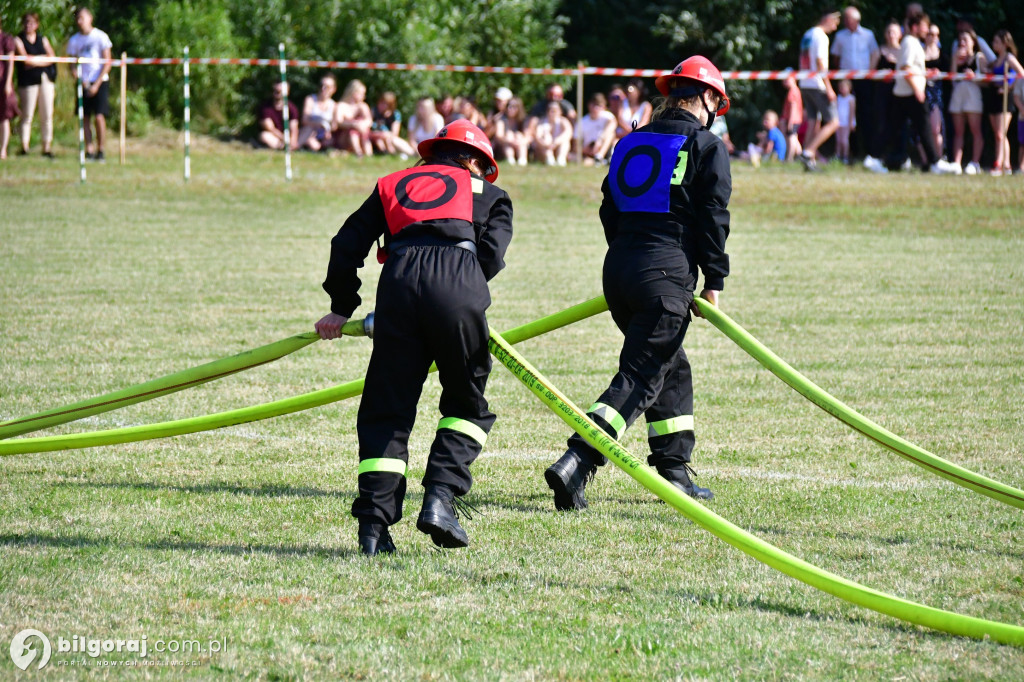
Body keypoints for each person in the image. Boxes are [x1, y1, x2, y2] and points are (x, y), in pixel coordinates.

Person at [316, 119, 513, 555]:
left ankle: (372, 528)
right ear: (477, 161)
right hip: (459, 283)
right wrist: (460, 297)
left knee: (387, 409)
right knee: (467, 405)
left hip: (398, 285)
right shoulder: (491, 194)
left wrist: (341, 306)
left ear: (432, 153)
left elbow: (345, 243)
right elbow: (491, 255)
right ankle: (441, 497)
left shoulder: (393, 183)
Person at [544, 55, 732, 510]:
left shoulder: (630, 141)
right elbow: (712, 217)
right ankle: (578, 459)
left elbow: (609, 207)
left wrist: (629, 253)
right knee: (640, 376)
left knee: (671, 363)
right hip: (666, 272)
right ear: (706, 97)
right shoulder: (706, 145)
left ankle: (673, 468)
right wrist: (714, 280)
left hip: (620, 270)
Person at [878, 12, 957, 173]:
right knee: (922, 126)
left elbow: (912, 67)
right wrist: (917, 89)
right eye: (924, 26)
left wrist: (926, 71)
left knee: (899, 128)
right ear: (915, 27)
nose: (926, 29)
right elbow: (905, 67)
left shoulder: (913, 43)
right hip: (910, 92)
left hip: (906, 92)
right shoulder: (909, 42)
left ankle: (874, 157)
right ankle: (935, 162)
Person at [830, 6, 879, 159]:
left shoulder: (868, 35)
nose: (846, 21)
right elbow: (835, 57)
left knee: (865, 114)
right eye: (845, 19)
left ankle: (869, 152)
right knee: (845, 116)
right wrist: (841, 77)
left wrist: (869, 72)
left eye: (848, 19)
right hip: (847, 81)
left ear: (856, 20)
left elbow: (875, 53)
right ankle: (850, 151)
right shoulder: (840, 36)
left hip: (864, 80)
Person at [797, 8, 842, 171]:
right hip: (817, 84)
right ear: (829, 19)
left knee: (812, 122)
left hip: (805, 82)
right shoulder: (821, 37)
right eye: (835, 22)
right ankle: (808, 152)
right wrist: (829, 88)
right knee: (833, 122)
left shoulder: (808, 34)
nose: (835, 27)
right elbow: (821, 63)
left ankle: (808, 160)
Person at [65, 7, 111, 162]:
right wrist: (79, 79)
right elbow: (71, 64)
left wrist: (96, 84)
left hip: (100, 81)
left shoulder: (101, 37)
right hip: (82, 82)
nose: (80, 21)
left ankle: (101, 150)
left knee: (99, 117)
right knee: (85, 117)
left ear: (90, 18)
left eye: (82, 18)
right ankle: (89, 150)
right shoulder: (74, 40)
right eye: (77, 18)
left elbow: (107, 62)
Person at [979, 30, 1022, 176]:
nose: (993, 44)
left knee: (1000, 133)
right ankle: (1005, 164)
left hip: (1005, 97)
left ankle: (1001, 164)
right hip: (994, 96)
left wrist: (1008, 87)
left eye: (996, 41)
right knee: (998, 134)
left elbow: (1020, 73)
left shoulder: (1009, 58)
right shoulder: (997, 59)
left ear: (1004, 43)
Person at [14, 13, 57, 157]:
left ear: (37, 25)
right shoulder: (18, 39)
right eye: (26, 22)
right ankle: (24, 146)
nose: (28, 25)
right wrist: (42, 59)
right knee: (27, 114)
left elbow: (52, 57)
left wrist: (34, 60)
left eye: (32, 23)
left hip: (45, 79)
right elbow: (25, 60)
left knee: (47, 114)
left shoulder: (42, 39)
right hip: (28, 82)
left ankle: (47, 147)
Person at [864, 20, 903, 173]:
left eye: (894, 32)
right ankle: (875, 157)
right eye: (888, 32)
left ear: (900, 34)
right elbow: (870, 73)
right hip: (882, 93)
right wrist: (881, 75)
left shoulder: (904, 52)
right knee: (880, 124)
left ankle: (897, 158)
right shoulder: (879, 51)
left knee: (898, 126)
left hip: (899, 93)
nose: (891, 35)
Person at [949, 29, 985, 175]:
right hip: (958, 93)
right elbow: (952, 78)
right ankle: (957, 163)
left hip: (973, 95)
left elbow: (987, 81)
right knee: (958, 132)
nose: (962, 43)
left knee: (975, 130)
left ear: (973, 42)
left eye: (966, 40)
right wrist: (954, 60)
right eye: (960, 40)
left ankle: (974, 162)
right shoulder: (957, 57)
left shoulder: (979, 57)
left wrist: (974, 76)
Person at [333, 79, 373, 158]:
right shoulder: (341, 106)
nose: (364, 96)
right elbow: (339, 123)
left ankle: (367, 154)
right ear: (354, 93)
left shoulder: (363, 106)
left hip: (361, 134)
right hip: (343, 137)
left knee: (361, 128)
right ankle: (359, 153)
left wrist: (361, 125)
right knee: (353, 130)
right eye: (362, 94)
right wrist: (353, 124)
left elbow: (369, 121)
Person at [296, 74, 336, 152]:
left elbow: (334, 126)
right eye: (322, 85)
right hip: (310, 133)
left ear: (333, 89)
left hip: (325, 136)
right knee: (309, 132)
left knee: (330, 140)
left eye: (327, 87)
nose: (323, 88)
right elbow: (304, 121)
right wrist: (320, 124)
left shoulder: (334, 105)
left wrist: (328, 130)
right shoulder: (310, 100)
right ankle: (295, 147)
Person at [369, 91, 415, 157]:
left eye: (385, 104)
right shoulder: (374, 111)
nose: (381, 105)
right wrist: (380, 134)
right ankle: (386, 153)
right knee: (379, 140)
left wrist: (384, 134)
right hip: (375, 137)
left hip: (389, 138)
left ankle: (392, 154)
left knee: (388, 140)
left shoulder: (395, 114)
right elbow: (369, 127)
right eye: (381, 102)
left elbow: (394, 134)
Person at [257, 81, 299, 150]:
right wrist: (285, 140)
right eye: (275, 91)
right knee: (264, 136)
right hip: (275, 136)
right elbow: (270, 128)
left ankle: (292, 147)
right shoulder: (265, 107)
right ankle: (283, 147)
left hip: (288, 136)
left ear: (287, 92)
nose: (277, 93)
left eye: (279, 91)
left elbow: (294, 127)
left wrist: (293, 140)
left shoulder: (292, 108)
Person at [578, 92, 617, 165]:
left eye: (599, 105)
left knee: (611, 134)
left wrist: (600, 140)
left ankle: (600, 157)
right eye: (593, 105)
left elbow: (612, 124)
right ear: (589, 105)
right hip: (588, 151)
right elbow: (576, 144)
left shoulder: (607, 117)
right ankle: (599, 161)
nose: (595, 108)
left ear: (604, 107)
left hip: (604, 147)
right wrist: (585, 149)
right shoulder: (582, 122)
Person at [532, 99, 573, 166]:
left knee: (565, 142)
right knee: (547, 137)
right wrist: (545, 144)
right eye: (550, 110)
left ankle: (561, 159)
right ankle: (549, 159)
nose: (552, 112)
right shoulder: (542, 122)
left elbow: (568, 133)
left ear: (560, 111)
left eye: (554, 110)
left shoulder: (563, 121)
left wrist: (556, 142)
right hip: (544, 148)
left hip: (557, 146)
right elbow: (537, 136)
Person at [0, 15, 19, 160]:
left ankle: (3, 149)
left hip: (2, 82)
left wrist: (7, 83)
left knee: (4, 117)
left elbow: (10, 62)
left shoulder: (6, 39)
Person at [492, 96, 530, 166]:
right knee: (509, 135)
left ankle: (522, 159)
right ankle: (510, 159)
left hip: (519, 144)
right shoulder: (501, 119)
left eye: (514, 107)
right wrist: (511, 141)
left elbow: (528, 136)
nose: (510, 109)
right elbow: (499, 136)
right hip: (504, 145)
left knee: (519, 135)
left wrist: (519, 142)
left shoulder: (523, 120)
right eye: (509, 106)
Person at [780, 73, 803, 161]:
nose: (784, 82)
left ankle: (789, 158)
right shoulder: (795, 90)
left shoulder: (792, 92)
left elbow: (793, 108)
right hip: (795, 119)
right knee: (794, 138)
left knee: (791, 138)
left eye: (786, 80)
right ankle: (801, 156)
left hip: (793, 119)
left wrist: (790, 122)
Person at [835, 78, 856, 163]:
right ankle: (837, 155)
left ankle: (845, 157)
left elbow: (852, 112)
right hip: (838, 123)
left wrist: (851, 123)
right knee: (838, 141)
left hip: (846, 123)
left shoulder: (851, 99)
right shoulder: (838, 98)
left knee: (844, 140)